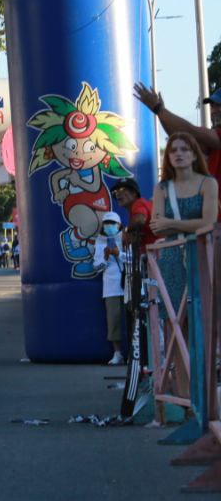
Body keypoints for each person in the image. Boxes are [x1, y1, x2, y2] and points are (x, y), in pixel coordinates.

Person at [151, 133, 219, 321]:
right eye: (173, 150)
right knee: (175, 321)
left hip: (203, 255)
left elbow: (209, 223)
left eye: (184, 149)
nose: (178, 154)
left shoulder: (208, 183)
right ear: (168, 157)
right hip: (171, 259)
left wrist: (171, 223)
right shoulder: (161, 187)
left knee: (205, 317)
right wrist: (193, 225)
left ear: (194, 155)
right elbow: (157, 228)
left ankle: (203, 353)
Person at [135, 83, 221, 213]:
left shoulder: (216, 138)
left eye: (219, 105)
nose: (214, 110)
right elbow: (182, 138)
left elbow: (191, 131)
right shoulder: (212, 142)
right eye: (213, 106)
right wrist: (160, 113)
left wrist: (159, 109)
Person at [91, 211, 127, 366]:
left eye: (112, 223)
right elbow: (97, 267)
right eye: (106, 224)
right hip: (111, 288)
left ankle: (135, 354)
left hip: (129, 285)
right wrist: (105, 257)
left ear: (119, 225)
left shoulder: (127, 239)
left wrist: (119, 254)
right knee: (113, 321)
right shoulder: (100, 243)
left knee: (133, 320)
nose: (109, 226)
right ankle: (117, 353)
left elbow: (136, 259)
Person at [111, 177, 156, 253]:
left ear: (134, 193)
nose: (117, 193)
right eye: (115, 191)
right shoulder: (135, 210)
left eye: (122, 189)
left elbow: (139, 220)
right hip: (154, 255)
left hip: (158, 254)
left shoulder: (138, 203)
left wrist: (125, 231)